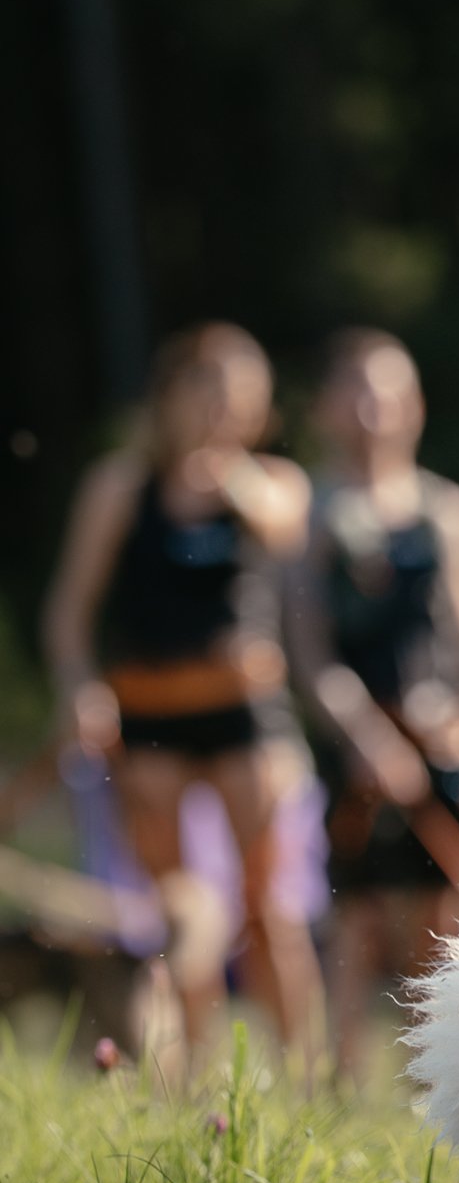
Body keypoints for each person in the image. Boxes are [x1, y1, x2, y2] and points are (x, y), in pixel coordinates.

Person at [41, 322, 324, 1067]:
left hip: (244, 712)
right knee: (178, 911)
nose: (218, 410)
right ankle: (195, 1073)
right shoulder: (120, 488)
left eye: (238, 398)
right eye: (204, 391)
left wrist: (227, 477)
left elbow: (287, 531)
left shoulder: (268, 485)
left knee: (269, 907)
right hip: (150, 711)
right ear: (169, 395)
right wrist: (78, 689)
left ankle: (304, 1075)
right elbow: (69, 612)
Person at [286, 329, 459, 1076]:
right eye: (356, 390)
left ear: (415, 406)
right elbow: (308, 651)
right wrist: (365, 737)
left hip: (449, 738)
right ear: (326, 406)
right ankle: (332, 1091)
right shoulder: (308, 513)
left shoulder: (446, 510)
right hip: (356, 743)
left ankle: (441, 1091)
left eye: (389, 391)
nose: (373, 409)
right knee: (356, 922)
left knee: (448, 921)